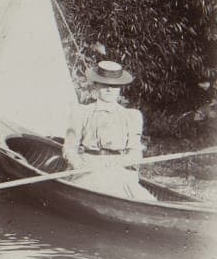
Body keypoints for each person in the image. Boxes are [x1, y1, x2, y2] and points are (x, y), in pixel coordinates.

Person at [61, 60, 156, 201]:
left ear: (120, 88)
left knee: (144, 200)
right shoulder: (81, 112)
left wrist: (121, 162)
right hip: (88, 169)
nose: (109, 89)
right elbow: (69, 147)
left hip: (118, 170)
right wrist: (78, 165)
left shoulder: (131, 116)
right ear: (96, 85)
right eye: (105, 85)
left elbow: (135, 152)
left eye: (114, 86)